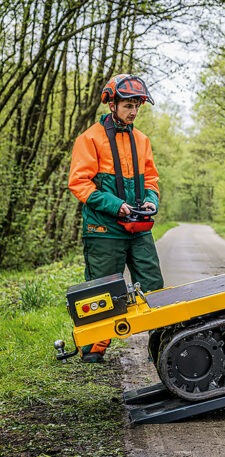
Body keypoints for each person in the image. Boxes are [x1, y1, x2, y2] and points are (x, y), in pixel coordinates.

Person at [68, 74, 164, 362]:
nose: (133, 111)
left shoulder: (142, 140)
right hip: (103, 228)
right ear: (112, 104)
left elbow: (152, 179)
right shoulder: (90, 139)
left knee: (154, 286)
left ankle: (162, 346)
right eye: (128, 105)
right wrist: (115, 205)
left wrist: (151, 200)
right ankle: (93, 351)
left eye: (137, 106)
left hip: (139, 228)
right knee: (102, 289)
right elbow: (80, 183)